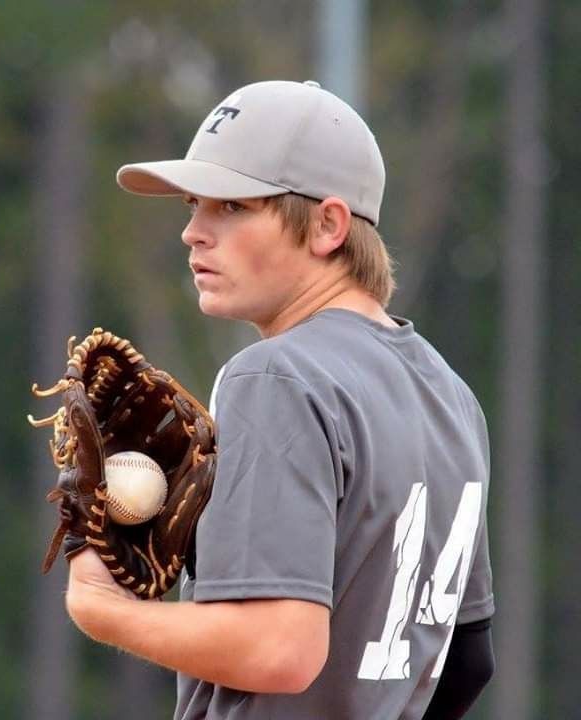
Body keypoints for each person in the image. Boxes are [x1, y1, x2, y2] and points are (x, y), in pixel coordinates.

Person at [65, 79, 495, 719]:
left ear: (328, 225)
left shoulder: (276, 376)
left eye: (233, 206)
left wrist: (104, 610)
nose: (193, 232)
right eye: (194, 204)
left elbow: (278, 650)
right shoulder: (450, 394)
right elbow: (467, 661)